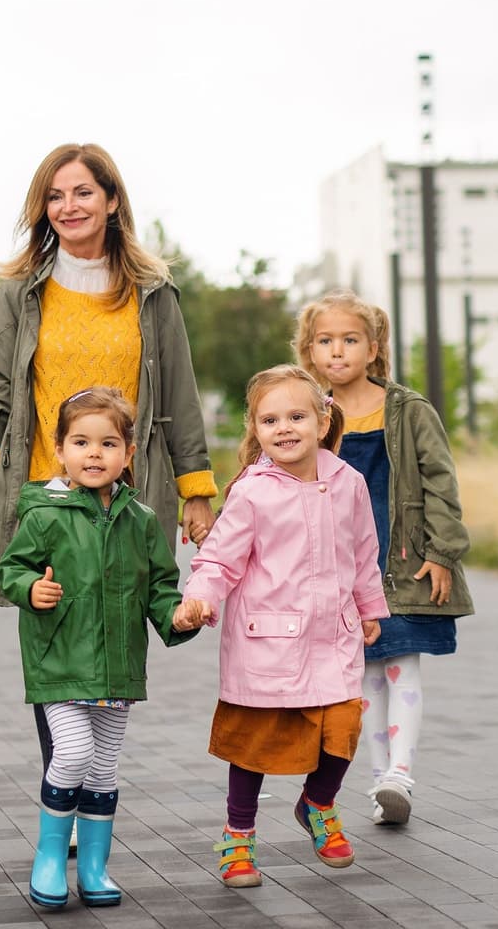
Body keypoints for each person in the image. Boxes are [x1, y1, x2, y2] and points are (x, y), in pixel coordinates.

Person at [0, 142, 217, 783]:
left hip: (126, 503)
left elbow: (180, 397)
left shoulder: (152, 295)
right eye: (54, 195)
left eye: (81, 192)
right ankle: (67, 785)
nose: (68, 206)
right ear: (42, 210)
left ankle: (87, 783)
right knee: (54, 634)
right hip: (47, 498)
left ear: (110, 201)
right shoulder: (20, 294)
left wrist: (195, 491)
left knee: (112, 632)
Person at [174, 365, 388, 884]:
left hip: (333, 636)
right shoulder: (252, 491)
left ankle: (318, 802)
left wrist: (369, 606)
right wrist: (199, 597)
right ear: (255, 429)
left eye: (296, 416)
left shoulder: (349, 482)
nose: (284, 428)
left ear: (321, 419)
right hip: (266, 641)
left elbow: (363, 552)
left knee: (343, 729)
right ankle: (239, 835)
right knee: (255, 743)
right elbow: (221, 559)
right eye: (270, 419)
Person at [0, 387, 198, 910]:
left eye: (108, 444)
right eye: (80, 442)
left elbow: (160, 587)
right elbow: (11, 569)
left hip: (116, 667)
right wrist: (29, 589)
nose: (94, 454)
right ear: (59, 450)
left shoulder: (142, 521)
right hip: (58, 661)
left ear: (128, 455)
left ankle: (94, 867)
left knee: (104, 769)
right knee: (75, 752)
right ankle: (48, 854)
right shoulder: (43, 514)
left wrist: (180, 616)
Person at [295, 288, 473, 826]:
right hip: (341, 567)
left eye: (350, 340)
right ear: (309, 352)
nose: (338, 351)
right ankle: (380, 787)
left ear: (373, 348)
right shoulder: (312, 415)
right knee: (364, 676)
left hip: (405, 560)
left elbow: (441, 482)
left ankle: (400, 774)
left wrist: (442, 551)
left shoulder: (408, 410)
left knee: (403, 665)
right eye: (325, 341)